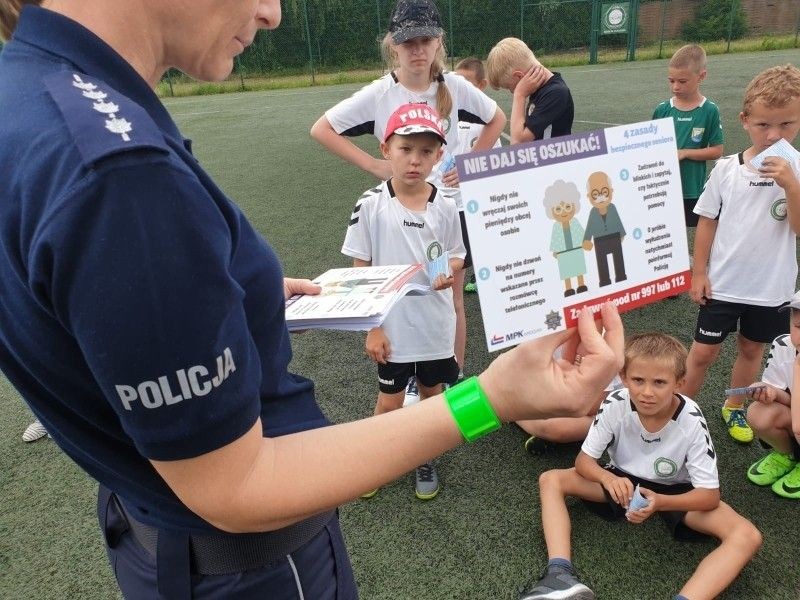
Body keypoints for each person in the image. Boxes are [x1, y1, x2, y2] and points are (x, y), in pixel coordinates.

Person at [0, 1, 624, 597]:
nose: (272, 13)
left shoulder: (30, 89)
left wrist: (237, 297)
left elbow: (83, 303)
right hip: (248, 570)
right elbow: (237, 486)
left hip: (156, 531)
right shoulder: (118, 173)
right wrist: (492, 397)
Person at [311, 0, 505, 382]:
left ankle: (452, 378)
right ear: (393, 46)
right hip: (398, 214)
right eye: (407, 42)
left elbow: (497, 118)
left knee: (448, 296)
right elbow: (322, 129)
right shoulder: (380, 93)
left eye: (425, 40)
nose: (417, 49)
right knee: (400, 290)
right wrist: (372, 165)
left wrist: (468, 166)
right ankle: (404, 377)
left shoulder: (456, 87)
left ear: (438, 43)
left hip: (444, 211)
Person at [518, 333, 761, 600]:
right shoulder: (615, 402)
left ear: (679, 383)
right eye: (638, 380)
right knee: (551, 479)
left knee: (746, 535)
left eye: (659, 382)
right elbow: (583, 462)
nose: (647, 392)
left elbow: (709, 495)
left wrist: (660, 502)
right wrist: (607, 478)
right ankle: (559, 574)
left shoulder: (691, 419)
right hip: (621, 480)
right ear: (623, 377)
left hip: (675, 490)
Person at [342, 104, 465, 500]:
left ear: (438, 156)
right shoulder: (370, 205)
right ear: (385, 149)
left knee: (432, 398)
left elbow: (457, 253)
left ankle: (422, 456)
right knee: (389, 402)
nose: (415, 160)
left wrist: (448, 269)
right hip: (392, 329)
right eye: (406, 148)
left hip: (434, 325)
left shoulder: (446, 205)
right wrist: (372, 327)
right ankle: (375, 461)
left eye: (426, 152)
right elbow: (358, 273)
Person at [681, 64, 800, 444]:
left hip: (771, 290)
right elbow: (707, 221)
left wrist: (791, 187)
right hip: (724, 284)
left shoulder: (797, 170)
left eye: (787, 125)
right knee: (701, 354)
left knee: (751, 350)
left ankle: (734, 407)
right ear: (745, 120)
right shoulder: (727, 170)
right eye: (764, 125)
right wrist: (699, 273)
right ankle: (679, 409)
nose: (775, 135)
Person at [652, 44, 724, 228]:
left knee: (698, 228)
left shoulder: (709, 110)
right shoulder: (662, 110)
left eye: (682, 81)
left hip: (691, 189)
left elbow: (717, 150)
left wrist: (684, 153)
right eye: (671, 81)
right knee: (663, 229)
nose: (675, 87)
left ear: (701, 76)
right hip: (662, 187)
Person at [452, 57, 501, 297]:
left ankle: (485, 276)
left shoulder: (485, 121)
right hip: (453, 200)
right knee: (460, 247)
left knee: (485, 240)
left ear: (481, 86)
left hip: (478, 198)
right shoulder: (449, 116)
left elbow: (496, 162)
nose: (460, 88)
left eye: (467, 83)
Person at [745, 289, 800, 498]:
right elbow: (792, 403)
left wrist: (798, 366)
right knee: (759, 412)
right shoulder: (782, 344)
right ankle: (788, 456)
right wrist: (774, 394)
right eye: (798, 326)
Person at [486, 37, 574, 144]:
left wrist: (519, 95)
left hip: (553, 160)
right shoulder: (539, 90)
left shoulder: (556, 93)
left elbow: (517, 143)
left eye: (509, 87)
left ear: (519, 76)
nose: (512, 91)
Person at [581, 171, 627, 288]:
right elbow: (590, 227)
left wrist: (621, 234)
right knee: (602, 264)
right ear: (588, 196)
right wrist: (586, 239)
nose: (601, 197)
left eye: (605, 192)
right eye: (595, 194)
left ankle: (621, 277)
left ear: (611, 191)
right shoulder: (593, 212)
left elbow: (618, 221)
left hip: (614, 237)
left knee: (619, 259)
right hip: (599, 241)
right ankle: (604, 281)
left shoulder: (612, 207)